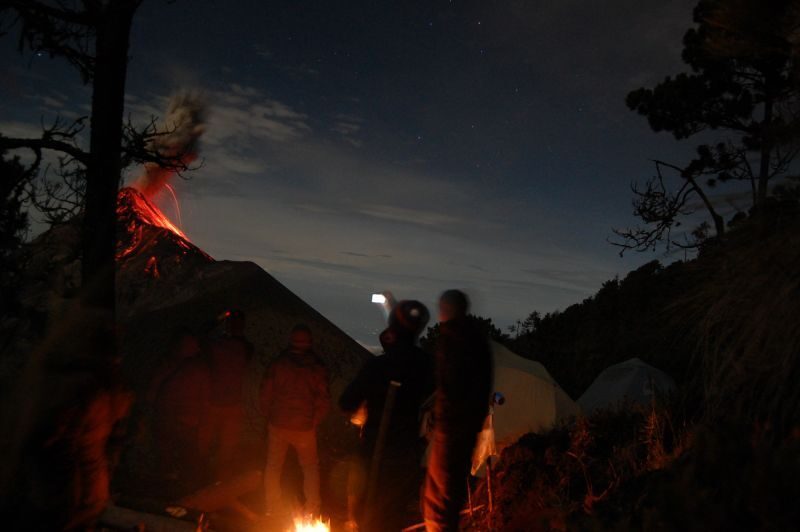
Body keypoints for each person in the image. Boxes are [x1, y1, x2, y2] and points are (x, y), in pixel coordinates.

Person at [339, 300, 433, 531]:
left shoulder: (378, 366)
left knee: (369, 517)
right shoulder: (427, 366)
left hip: (374, 456)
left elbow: (347, 401)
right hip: (406, 457)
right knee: (393, 516)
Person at [423, 290, 493, 532]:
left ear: (447, 309)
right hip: (465, 425)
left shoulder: (455, 338)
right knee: (448, 493)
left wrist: (441, 419)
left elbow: (451, 384)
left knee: (440, 497)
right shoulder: (476, 339)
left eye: (441, 306)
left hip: (452, 427)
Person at [260, 324, 330, 518]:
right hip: (304, 427)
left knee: (273, 466)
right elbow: (324, 399)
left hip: (278, 423)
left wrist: (269, 417)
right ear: (309, 342)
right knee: (309, 467)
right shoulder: (316, 367)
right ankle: (312, 510)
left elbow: (265, 393)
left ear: (291, 341)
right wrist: (314, 421)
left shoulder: (279, 364)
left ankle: (272, 508)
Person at [205, 309, 254, 481]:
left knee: (207, 444)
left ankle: (203, 479)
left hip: (215, 402)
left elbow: (202, 336)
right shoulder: (245, 348)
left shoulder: (217, 346)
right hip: (231, 404)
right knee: (226, 448)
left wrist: (220, 317)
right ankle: (220, 481)